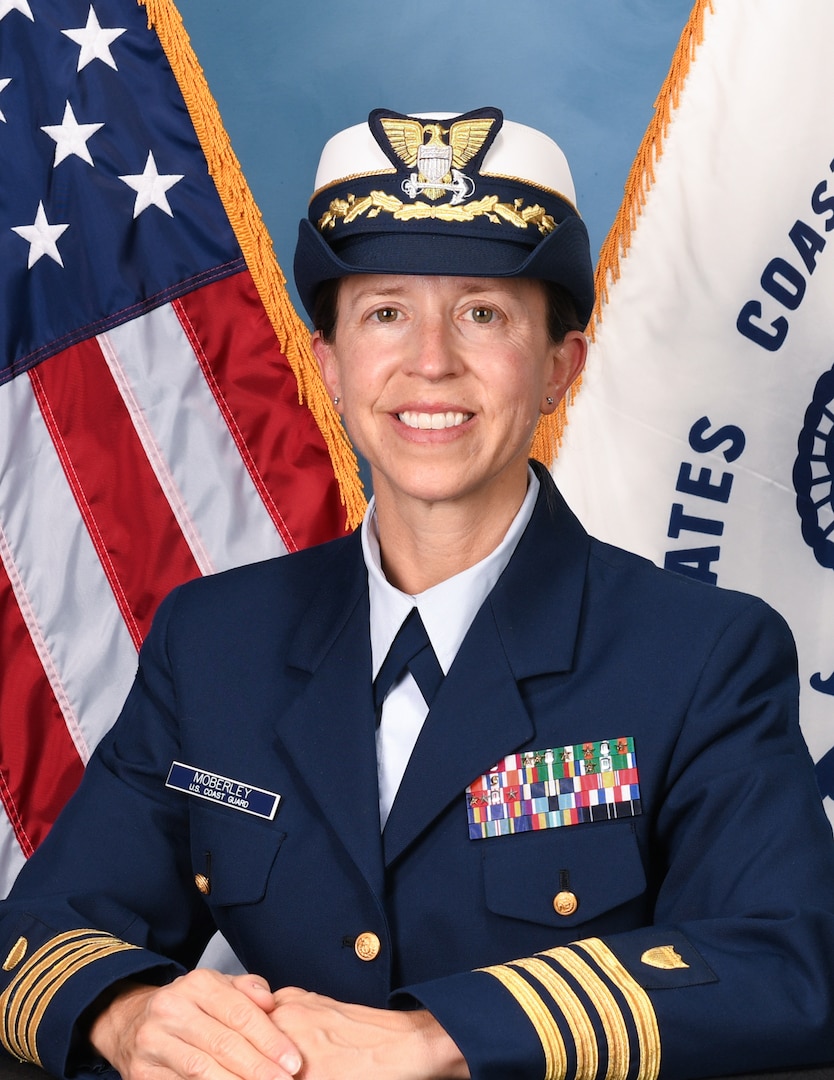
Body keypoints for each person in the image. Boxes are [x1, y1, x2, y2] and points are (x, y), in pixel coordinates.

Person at [1, 105, 833, 1080]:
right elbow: (43, 930)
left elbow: (791, 966)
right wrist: (129, 1013)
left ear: (562, 366)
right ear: (331, 366)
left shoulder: (700, 656)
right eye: (385, 311)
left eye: (483, 312)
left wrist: (443, 1038)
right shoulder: (215, 646)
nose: (430, 360)